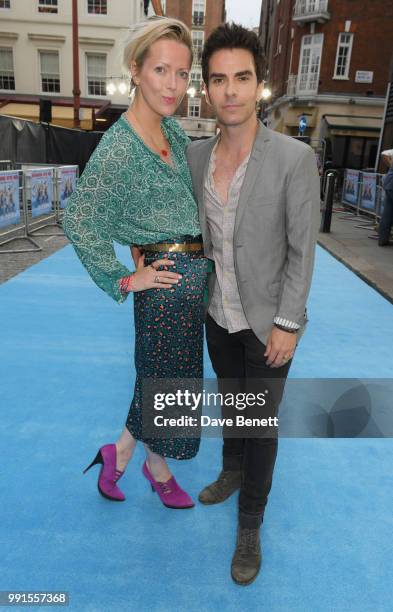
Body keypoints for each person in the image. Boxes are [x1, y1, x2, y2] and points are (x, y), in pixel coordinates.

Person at [187, 23, 320, 585]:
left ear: (260, 85)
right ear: (208, 88)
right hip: (218, 316)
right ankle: (232, 469)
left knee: (261, 422)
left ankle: (250, 525)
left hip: (271, 324)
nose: (231, 91)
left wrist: (288, 324)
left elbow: (301, 250)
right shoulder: (193, 158)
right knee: (234, 405)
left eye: (242, 78)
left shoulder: (293, 158)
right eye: (220, 79)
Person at [63, 17, 208, 509]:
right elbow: (80, 220)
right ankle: (156, 467)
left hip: (191, 286)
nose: (173, 85)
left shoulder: (174, 130)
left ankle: (120, 455)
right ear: (136, 71)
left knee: (159, 380)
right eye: (162, 70)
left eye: (182, 73)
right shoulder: (118, 147)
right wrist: (126, 277)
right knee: (164, 386)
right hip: (162, 288)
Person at [378, 149, 393, 246]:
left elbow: (384, 153)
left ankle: (383, 240)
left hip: (389, 184)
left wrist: (391, 165)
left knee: (387, 214)